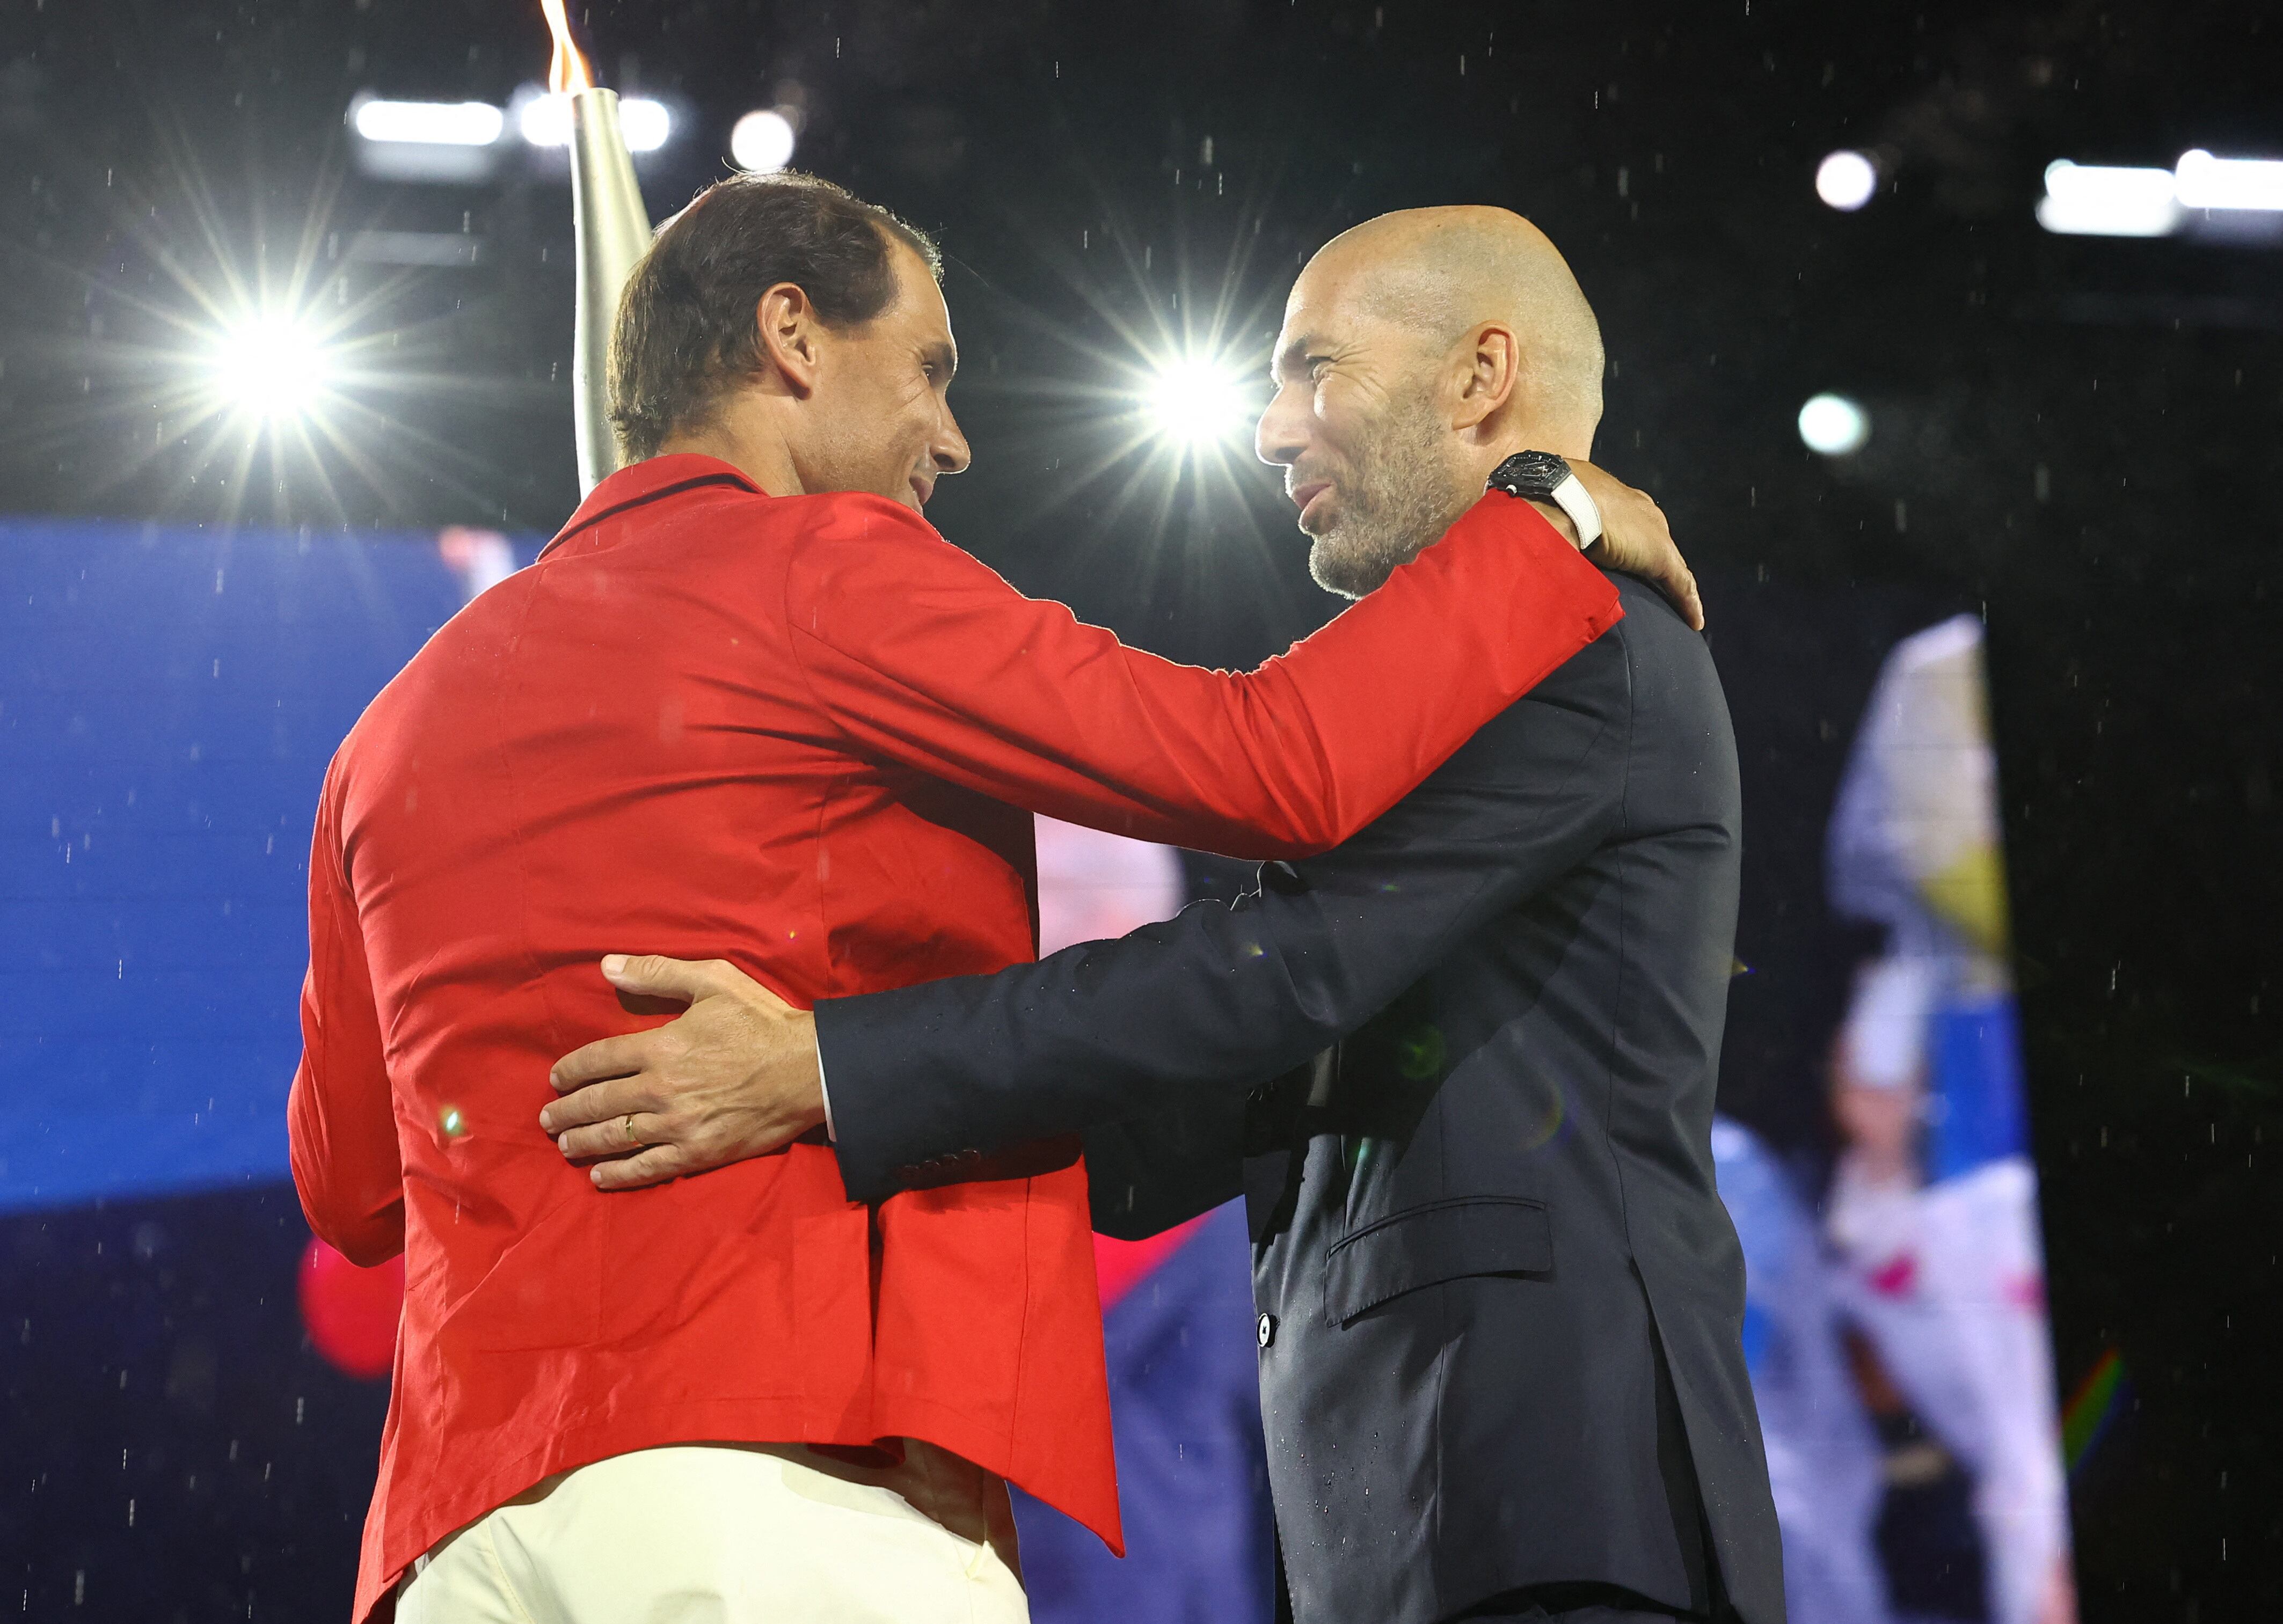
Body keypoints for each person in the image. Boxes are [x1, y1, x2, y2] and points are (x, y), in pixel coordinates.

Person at [286, 172, 1694, 1624]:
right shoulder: (827, 573)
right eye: (931, 371)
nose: (952, 440)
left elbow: (350, 1188)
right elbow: (1277, 763)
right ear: (794, 339)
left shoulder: (385, 734)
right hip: (786, 1487)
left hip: (462, 1543)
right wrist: (1550, 517)